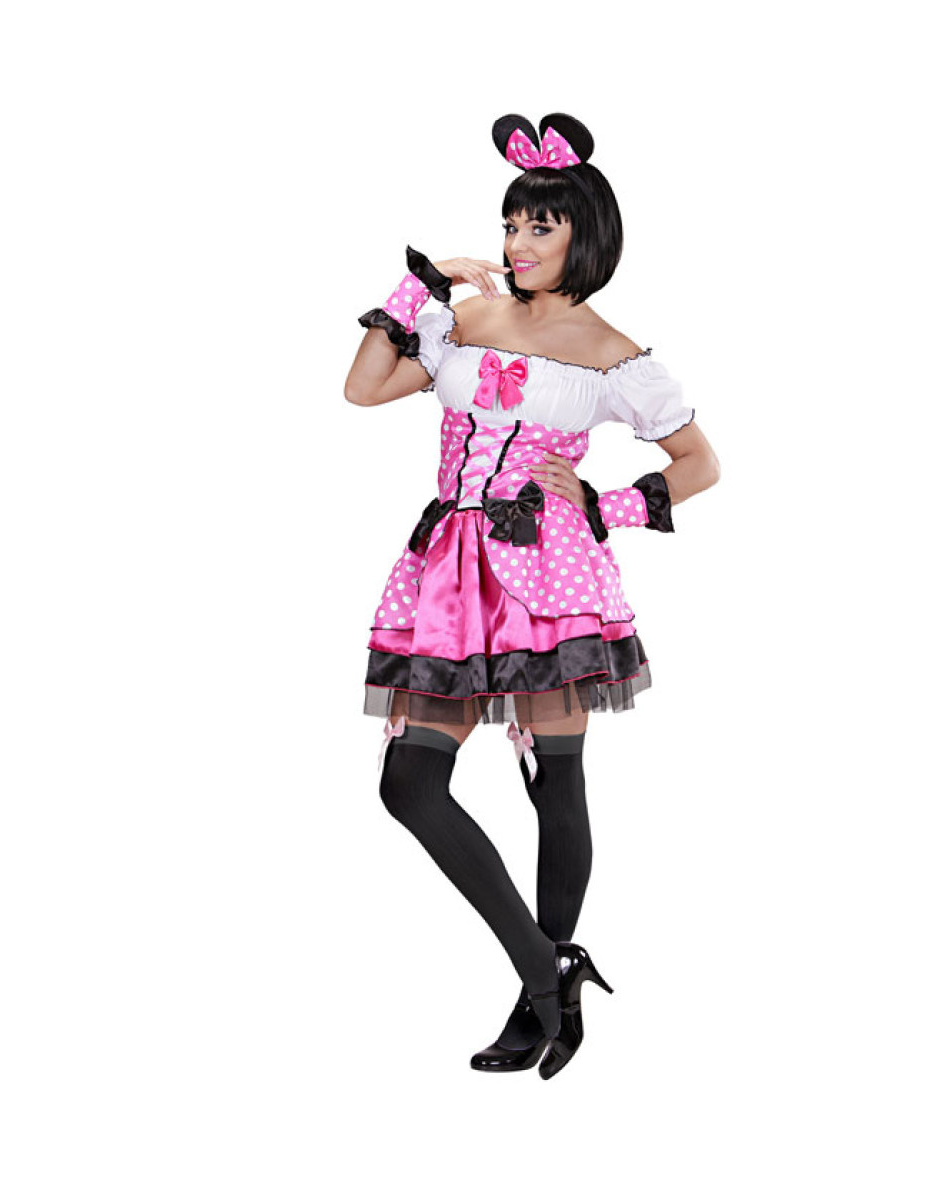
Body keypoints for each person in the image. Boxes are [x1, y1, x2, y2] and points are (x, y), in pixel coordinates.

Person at [344, 112, 722, 1079]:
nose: (517, 244)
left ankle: (536, 997)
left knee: (558, 785)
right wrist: (424, 285)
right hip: (450, 571)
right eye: (511, 224)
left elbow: (699, 462)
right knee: (410, 785)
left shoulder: (614, 353)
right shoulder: (466, 319)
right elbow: (364, 388)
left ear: (582, 234)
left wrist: (603, 503)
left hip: (550, 575)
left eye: (538, 227)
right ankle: (547, 969)